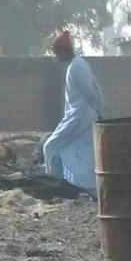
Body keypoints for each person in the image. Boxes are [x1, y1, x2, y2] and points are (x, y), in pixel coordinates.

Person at [42, 29, 103, 190]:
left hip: (78, 115)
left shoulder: (76, 67)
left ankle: (53, 185)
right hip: (81, 115)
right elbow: (96, 89)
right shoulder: (79, 65)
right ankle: (82, 185)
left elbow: (91, 92)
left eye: (56, 52)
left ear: (64, 50)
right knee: (80, 151)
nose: (56, 56)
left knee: (50, 146)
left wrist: (98, 113)